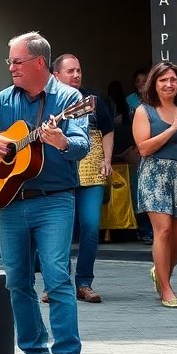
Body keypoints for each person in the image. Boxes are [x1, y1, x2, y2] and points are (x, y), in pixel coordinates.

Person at [0, 32, 89, 354]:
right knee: (17, 281)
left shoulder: (70, 99)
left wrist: (61, 141)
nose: (11, 68)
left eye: (16, 61)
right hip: (11, 202)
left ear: (38, 63)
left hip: (54, 199)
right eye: (10, 62)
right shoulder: (3, 100)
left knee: (58, 278)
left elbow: (81, 144)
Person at [133, 61, 177, 309]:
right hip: (155, 174)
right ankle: (166, 288)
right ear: (155, 83)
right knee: (162, 230)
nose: (169, 84)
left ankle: (160, 272)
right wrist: (174, 127)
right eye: (163, 80)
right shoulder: (145, 111)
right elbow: (144, 148)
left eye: (173, 79)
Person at [49, 54, 114, 304]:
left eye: (78, 70)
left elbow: (107, 131)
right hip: (59, 172)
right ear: (56, 75)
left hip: (92, 170)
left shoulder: (92, 100)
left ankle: (84, 282)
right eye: (70, 71)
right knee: (60, 230)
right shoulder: (47, 100)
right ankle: (58, 283)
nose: (76, 75)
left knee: (90, 227)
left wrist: (107, 160)